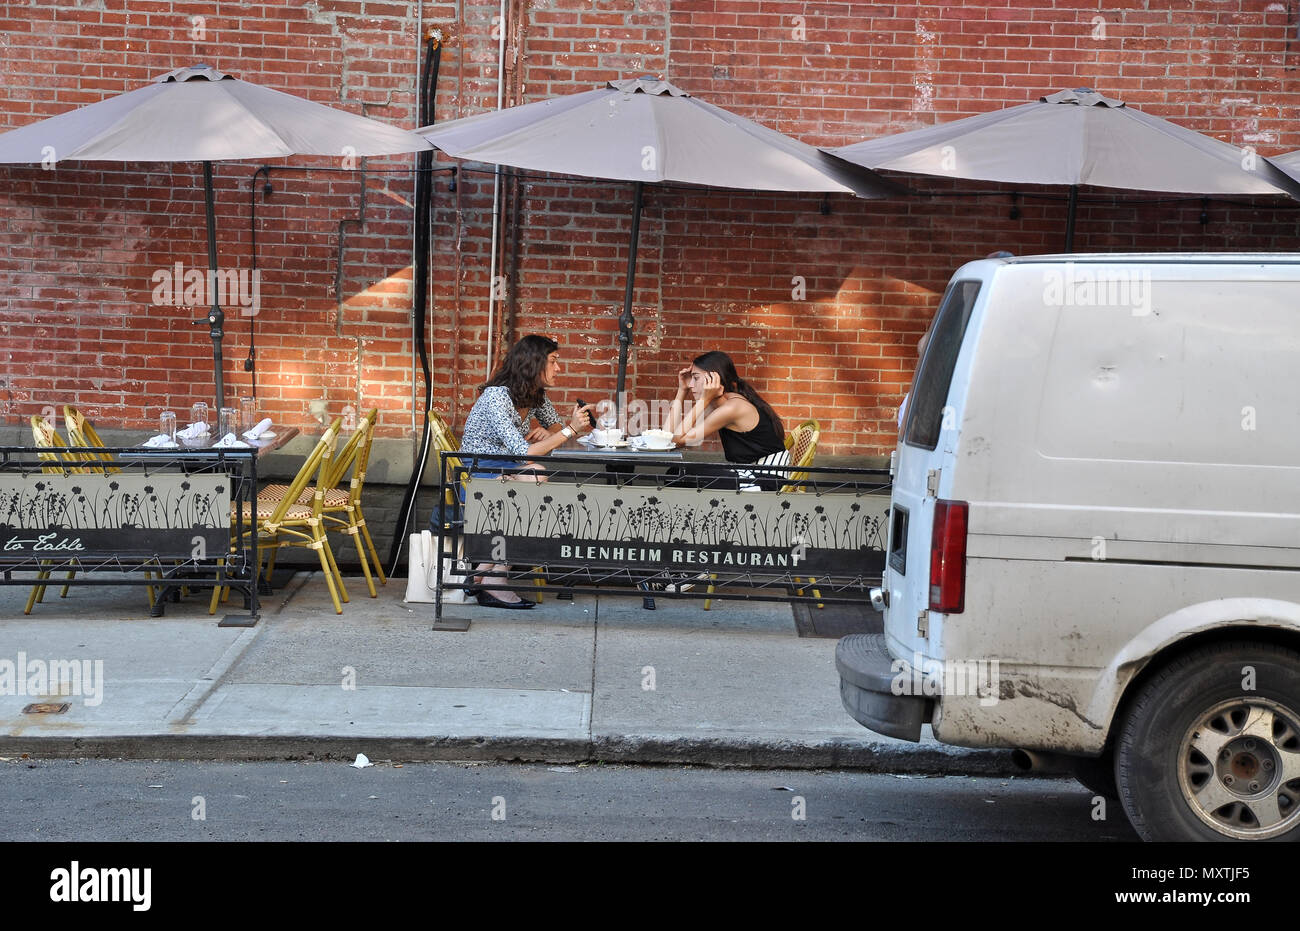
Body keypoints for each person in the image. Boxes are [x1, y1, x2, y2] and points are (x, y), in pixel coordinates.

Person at [456, 334, 594, 609]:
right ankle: (493, 579)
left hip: (506, 473)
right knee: (534, 477)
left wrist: (552, 431)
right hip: (478, 475)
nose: (558, 368)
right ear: (534, 363)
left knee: (533, 481)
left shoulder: (535, 396)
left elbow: (556, 429)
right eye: (553, 361)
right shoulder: (497, 397)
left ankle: (485, 573)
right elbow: (526, 451)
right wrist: (569, 430)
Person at [667, 350, 786, 471]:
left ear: (714, 379)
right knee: (676, 472)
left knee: (678, 473)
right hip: (749, 474)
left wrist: (704, 399)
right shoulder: (719, 403)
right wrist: (682, 390)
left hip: (766, 478)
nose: (691, 384)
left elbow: (676, 441)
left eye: (696, 378)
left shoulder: (732, 408)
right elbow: (669, 438)